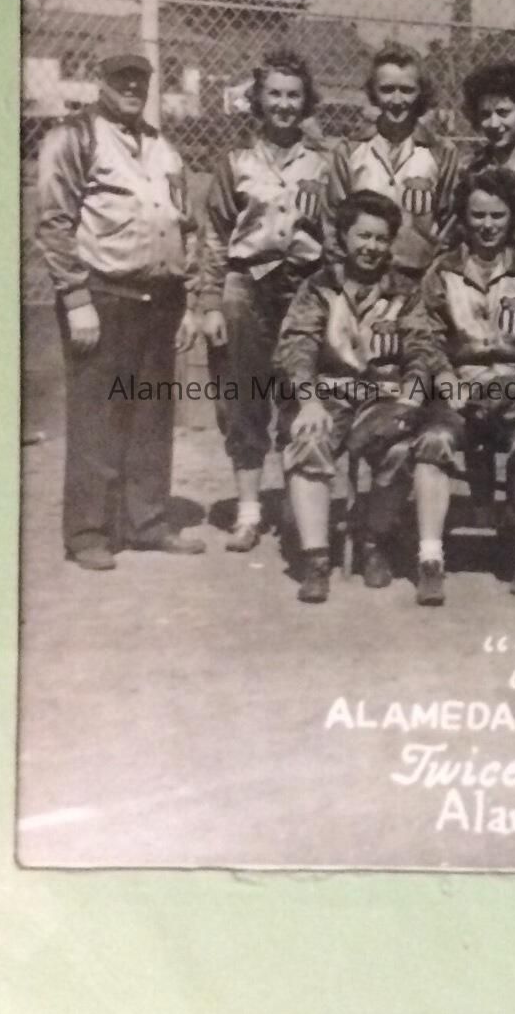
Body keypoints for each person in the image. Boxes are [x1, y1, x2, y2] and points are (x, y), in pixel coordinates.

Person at [33, 49, 204, 569]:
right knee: (97, 416)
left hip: (161, 297)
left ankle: (146, 522)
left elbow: (186, 224)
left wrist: (190, 300)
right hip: (102, 296)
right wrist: (76, 298)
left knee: (151, 415)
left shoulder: (162, 147)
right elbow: (54, 224)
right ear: (100, 81)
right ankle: (88, 533)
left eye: (139, 80)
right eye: (121, 79)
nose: (131, 87)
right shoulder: (74, 137)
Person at [196, 50, 330, 552]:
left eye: (294, 95)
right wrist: (210, 302)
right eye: (274, 94)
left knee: (301, 391)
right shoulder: (237, 160)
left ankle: (298, 509)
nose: (284, 104)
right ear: (258, 98)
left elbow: (336, 232)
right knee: (243, 395)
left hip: (303, 285)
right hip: (247, 284)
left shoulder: (324, 161)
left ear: (307, 101)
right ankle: (249, 512)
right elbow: (214, 234)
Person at [406, 166, 515, 605]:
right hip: (460, 387)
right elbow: (423, 334)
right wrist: (445, 378)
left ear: (513, 217)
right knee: (433, 443)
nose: (488, 225)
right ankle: (430, 558)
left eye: (497, 215)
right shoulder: (442, 271)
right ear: (463, 217)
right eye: (478, 215)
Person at [272, 191, 425, 605]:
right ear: (343, 237)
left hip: (383, 394)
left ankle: (374, 541)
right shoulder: (319, 287)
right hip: (329, 392)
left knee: (400, 446)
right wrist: (308, 401)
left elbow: (421, 349)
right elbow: (298, 345)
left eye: (381, 238)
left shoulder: (404, 291)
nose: (371, 247)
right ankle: (316, 559)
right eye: (363, 236)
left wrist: (411, 400)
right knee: (309, 438)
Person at [328, 43, 449, 280]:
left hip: (418, 275)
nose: (396, 99)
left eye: (407, 90)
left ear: (421, 92)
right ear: (374, 92)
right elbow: (333, 220)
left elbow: (449, 223)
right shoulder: (350, 151)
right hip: (361, 276)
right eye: (387, 89)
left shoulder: (441, 152)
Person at [437, 60, 515, 261]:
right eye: (485, 114)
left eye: (503, 113)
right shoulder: (467, 170)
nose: (494, 123)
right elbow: (450, 237)